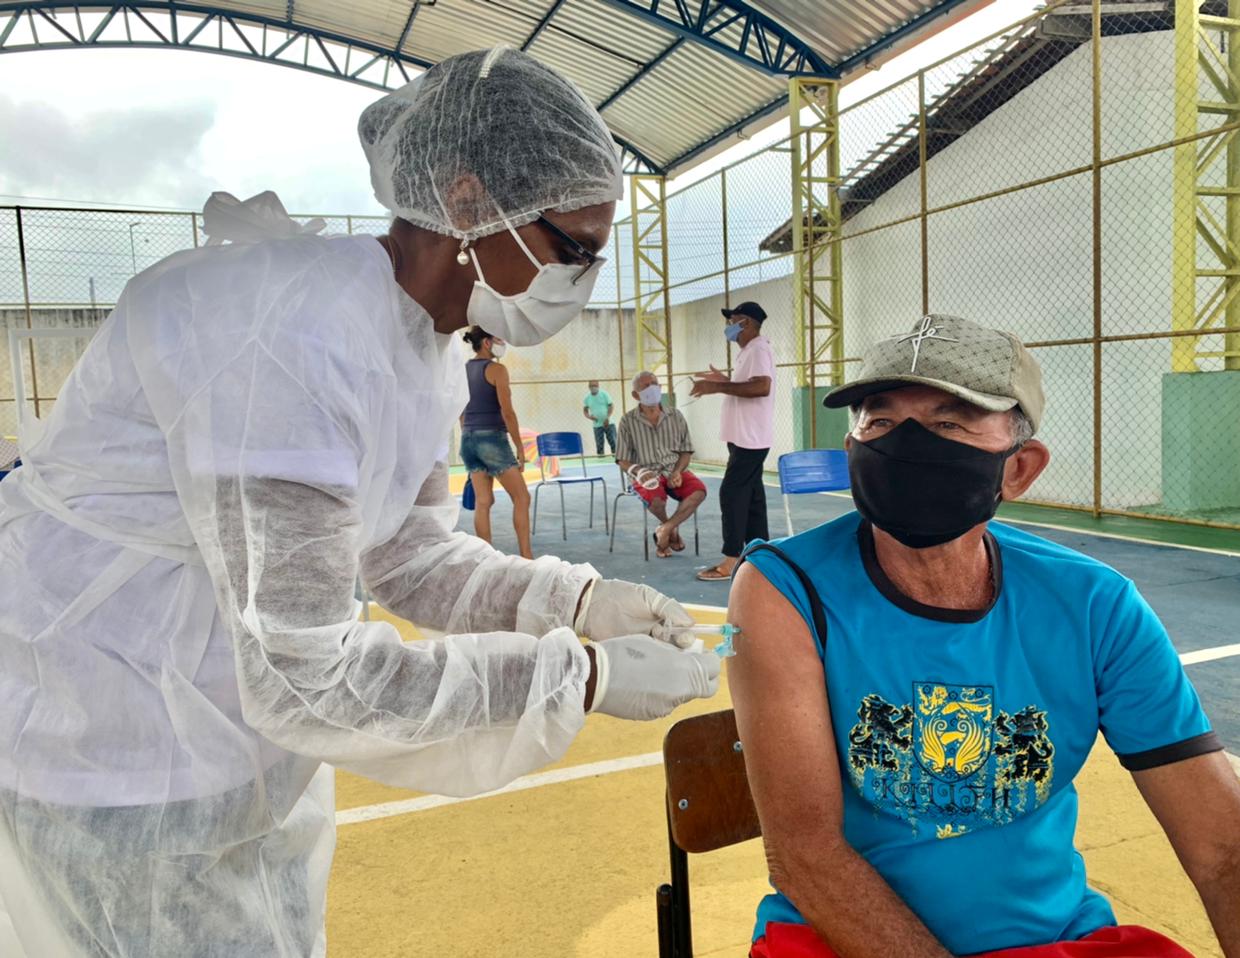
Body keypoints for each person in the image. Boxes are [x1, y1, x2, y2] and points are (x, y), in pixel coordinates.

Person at [0, 47, 720, 958]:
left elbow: (408, 554)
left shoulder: (421, 348)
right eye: (571, 249)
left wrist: (576, 601)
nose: (579, 280)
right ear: (467, 203)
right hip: (119, 746)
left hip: (221, 736)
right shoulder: (290, 336)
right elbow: (305, 677)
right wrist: (580, 675)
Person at [728, 314, 1240, 958]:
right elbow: (806, 854)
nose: (905, 443)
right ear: (851, 447)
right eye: (879, 421)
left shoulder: (1094, 605)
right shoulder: (783, 590)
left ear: (1019, 469)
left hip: (1052, 936)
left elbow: (1228, 849)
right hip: (838, 939)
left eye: (949, 423)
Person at [691, 301, 775, 582]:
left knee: (732, 493)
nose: (728, 327)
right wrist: (725, 380)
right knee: (752, 497)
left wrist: (716, 386)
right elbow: (747, 387)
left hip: (750, 438)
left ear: (746, 323)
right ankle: (761, 554)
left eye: (733, 321)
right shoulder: (748, 352)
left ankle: (730, 559)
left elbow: (762, 386)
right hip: (745, 437)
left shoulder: (758, 349)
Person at [616, 370, 706, 558]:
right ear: (635, 395)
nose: (652, 388)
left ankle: (664, 529)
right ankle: (670, 529)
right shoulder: (627, 421)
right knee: (656, 499)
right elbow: (622, 459)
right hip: (645, 474)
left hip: (673, 469)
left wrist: (678, 471)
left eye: (654, 384)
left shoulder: (676, 416)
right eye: (645, 386)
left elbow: (686, 451)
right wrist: (639, 471)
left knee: (698, 491)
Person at [461, 325, 532, 558]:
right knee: (522, 497)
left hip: (468, 438)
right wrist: (519, 447)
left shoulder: (462, 370)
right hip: (492, 439)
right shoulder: (497, 370)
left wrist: (469, 435)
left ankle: (486, 559)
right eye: (499, 339)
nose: (503, 343)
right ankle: (527, 557)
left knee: (483, 501)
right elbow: (507, 412)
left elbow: (460, 410)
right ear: (486, 343)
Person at [583, 379, 616, 455]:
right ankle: (601, 459)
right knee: (599, 445)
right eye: (591, 386)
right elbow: (585, 410)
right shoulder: (587, 398)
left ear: (598, 386)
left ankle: (617, 459)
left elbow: (611, 406)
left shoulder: (604, 394)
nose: (593, 387)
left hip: (608, 423)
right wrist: (589, 417)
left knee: (614, 443)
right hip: (597, 425)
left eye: (595, 385)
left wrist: (607, 417)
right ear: (589, 387)